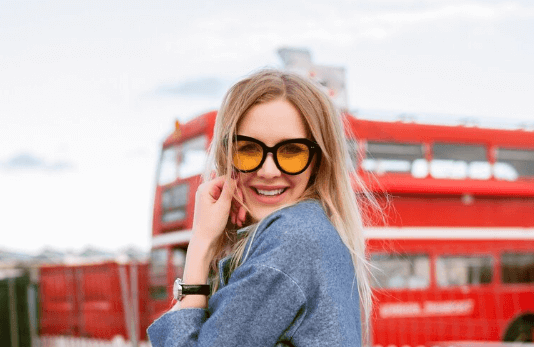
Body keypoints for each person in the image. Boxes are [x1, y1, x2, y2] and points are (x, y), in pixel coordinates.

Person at [147, 69, 378, 346]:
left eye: (292, 151)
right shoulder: (314, 231)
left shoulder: (292, 241)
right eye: (248, 149)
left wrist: (200, 244)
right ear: (227, 155)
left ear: (317, 160)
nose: (268, 171)